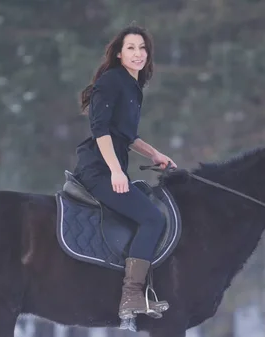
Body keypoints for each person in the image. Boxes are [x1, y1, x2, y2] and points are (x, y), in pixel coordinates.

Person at [73, 25, 175, 320]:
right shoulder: (112, 81)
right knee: (152, 218)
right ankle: (131, 296)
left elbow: (125, 135)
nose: (138, 53)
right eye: (131, 48)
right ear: (119, 54)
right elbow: (101, 129)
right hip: (98, 171)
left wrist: (155, 154)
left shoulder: (133, 87)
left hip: (111, 168)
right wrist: (116, 171)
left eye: (142, 48)